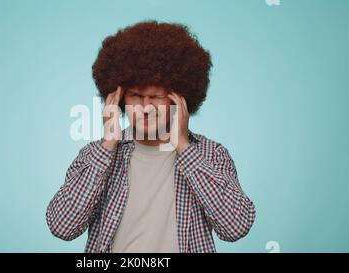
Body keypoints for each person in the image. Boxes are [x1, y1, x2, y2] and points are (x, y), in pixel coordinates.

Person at [46, 20, 255, 253]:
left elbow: (235, 227)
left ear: (179, 99)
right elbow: (62, 227)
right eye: (136, 95)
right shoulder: (95, 156)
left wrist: (184, 146)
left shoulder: (210, 154)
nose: (145, 107)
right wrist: (107, 146)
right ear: (119, 99)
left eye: (155, 96)